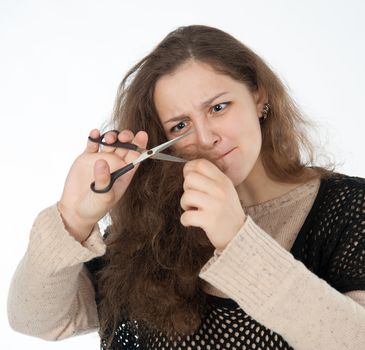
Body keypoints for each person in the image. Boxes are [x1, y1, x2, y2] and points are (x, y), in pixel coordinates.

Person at [7, 25, 365, 350]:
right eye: (180, 126)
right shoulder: (150, 230)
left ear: (259, 96)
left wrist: (238, 240)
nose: (207, 138)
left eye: (218, 107)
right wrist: (72, 219)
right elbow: (35, 320)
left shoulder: (348, 208)